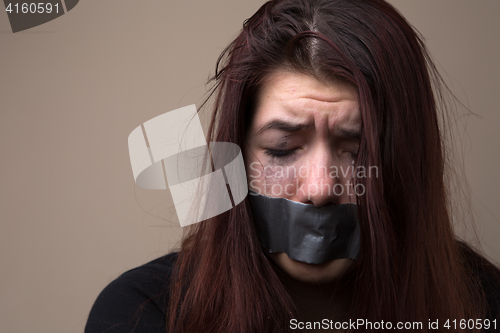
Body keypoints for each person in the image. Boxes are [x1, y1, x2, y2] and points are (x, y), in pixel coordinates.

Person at [85, 0, 500, 332]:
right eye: (282, 149)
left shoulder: (484, 303)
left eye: (360, 153)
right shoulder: (141, 313)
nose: (319, 188)